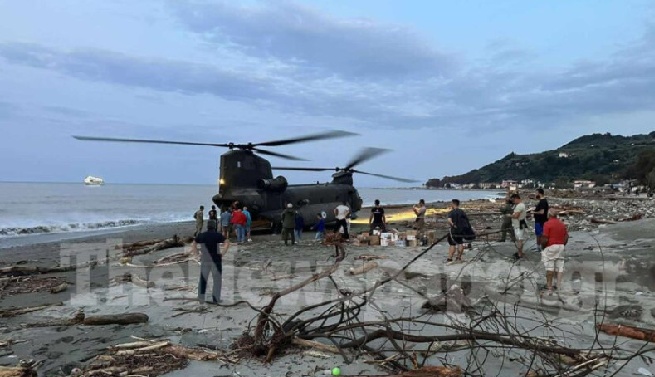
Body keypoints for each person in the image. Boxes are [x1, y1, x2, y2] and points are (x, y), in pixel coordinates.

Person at [196, 219, 230, 304]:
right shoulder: (217, 235)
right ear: (214, 227)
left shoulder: (202, 235)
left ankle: (201, 298)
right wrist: (223, 252)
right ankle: (216, 299)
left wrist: (197, 254)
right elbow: (227, 242)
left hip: (205, 259)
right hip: (216, 260)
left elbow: (193, 243)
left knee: (203, 279)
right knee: (217, 280)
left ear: (207, 226)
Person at [540, 210, 569, 295]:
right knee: (560, 266)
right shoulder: (561, 224)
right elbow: (566, 236)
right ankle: (559, 286)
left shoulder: (547, 224)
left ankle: (549, 287)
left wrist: (543, 247)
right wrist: (563, 244)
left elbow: (545, 238)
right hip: (561, 246)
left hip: (551, 246)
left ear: (549, 215)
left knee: (550, 267)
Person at [511, 193, 528, 261]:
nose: (513, 202)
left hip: (519, 224)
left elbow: (516, 216)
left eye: (513, 200)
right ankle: (520, 252)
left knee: (519, 239)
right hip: (522, 223)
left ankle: (519, 254)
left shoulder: (519, 206)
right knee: (520, 239)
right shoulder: (521, 205)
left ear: (516, 198)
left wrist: (510, 215)